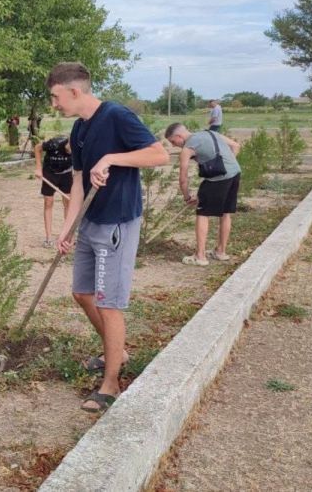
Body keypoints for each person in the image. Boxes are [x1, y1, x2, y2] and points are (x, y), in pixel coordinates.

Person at [48, 62, 168, 412]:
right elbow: (77, 182)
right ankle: (118, 352)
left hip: (117, 222)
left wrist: (113, 158)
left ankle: (111, 384)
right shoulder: (78, 129)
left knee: (108, 302)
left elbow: (160, 155)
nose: (54, 105)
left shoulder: (116, 116)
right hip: (89, 221)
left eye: (56, 97)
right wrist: (66, 228)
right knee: (82, 293)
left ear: (75, 90)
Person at [164, 123, 242, 266]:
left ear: (179, 136)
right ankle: (221, 252)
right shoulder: (211, 133)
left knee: (202, 214)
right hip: (235, 173)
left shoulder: (188, 148)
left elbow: (183, 178)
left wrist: (187, 197)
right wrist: (227, 164)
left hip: (217, 179)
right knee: (226, 213)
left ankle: (200, 256)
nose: (175, 146)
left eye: (173, 142)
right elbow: (236, 146)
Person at [33, 136, 73, 247]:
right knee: (48, 202)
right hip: (49, 173)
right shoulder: (54, 144)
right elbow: (37, 148)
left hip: (66, 174)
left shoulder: (80, 148)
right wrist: (38, 167)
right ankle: (48, 238)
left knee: (68, 203)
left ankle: (67, 236)